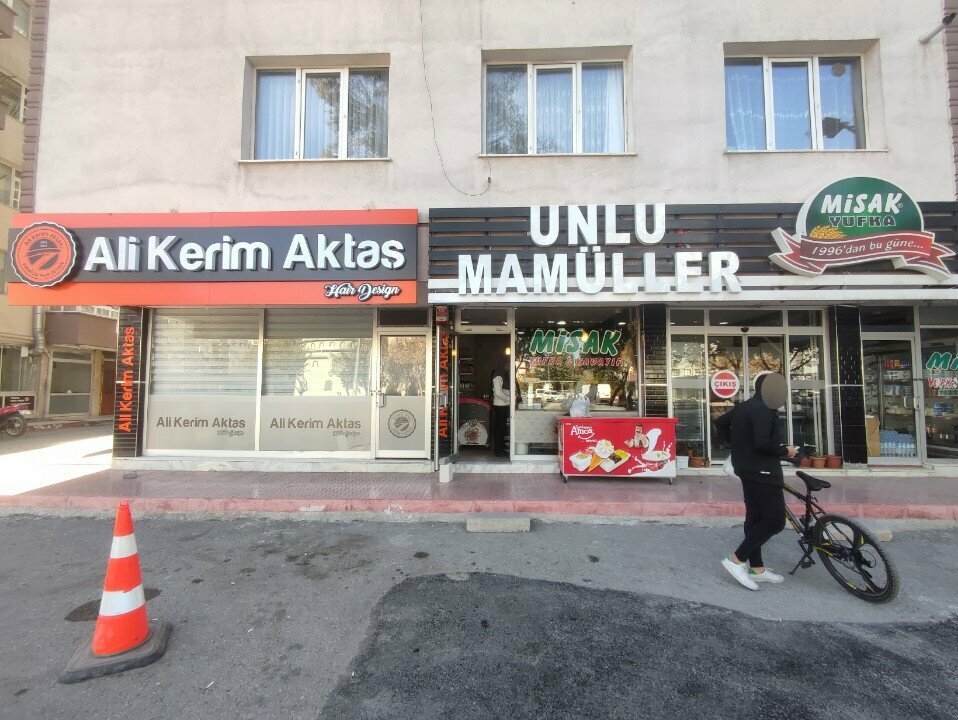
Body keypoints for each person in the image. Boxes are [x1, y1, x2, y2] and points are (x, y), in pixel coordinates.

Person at [715, 372, 797, 591]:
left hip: (747, 470)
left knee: (755, 518)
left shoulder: (745, 407)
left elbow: (720, 422)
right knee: (774, 521)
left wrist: (736, 446)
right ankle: (736, 559)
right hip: (763, 472)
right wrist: (785, 451)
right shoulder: (764, 410)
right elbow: (762, 443)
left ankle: (757, 568)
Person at [491, 369, 510, 457]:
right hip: (500, 405)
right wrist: (508, 399)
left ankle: (501, 447)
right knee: (499, 428)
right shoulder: (498, 375)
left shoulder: (504, 375)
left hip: (503, 405)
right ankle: (498, 450)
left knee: (502, 428)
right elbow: (498, 392)